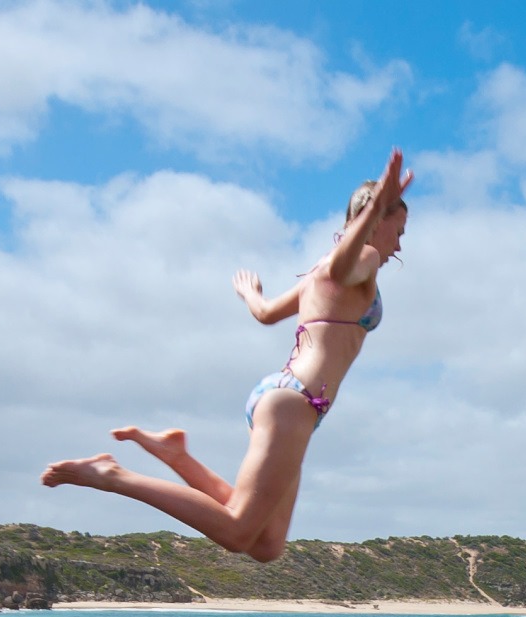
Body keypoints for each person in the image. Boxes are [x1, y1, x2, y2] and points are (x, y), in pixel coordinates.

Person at [39, 149, 414, 564]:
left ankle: (176, 456)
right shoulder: (360, 258)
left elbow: (267, 313)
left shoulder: (321, 274)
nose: (400, 240)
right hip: (295, 403)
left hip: (292, 402)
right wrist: (377, 207)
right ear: (375, 220)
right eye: (398, 228)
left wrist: (250, 293)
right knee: (237, 530)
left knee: (266, 546)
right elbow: (345, 267)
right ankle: (112, 476)